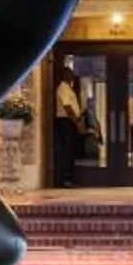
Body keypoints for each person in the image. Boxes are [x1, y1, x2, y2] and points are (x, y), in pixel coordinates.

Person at [52, 58, 87, 186]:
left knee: (71, 149)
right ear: (65, 75)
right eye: (70, 74)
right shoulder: (63, 88)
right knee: (67, 150)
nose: (72, 76)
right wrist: (76, 122)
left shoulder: (68, 88)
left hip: (69, 121)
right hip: (66, 122)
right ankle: (65, 179)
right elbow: (67, 107)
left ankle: (69, 178)